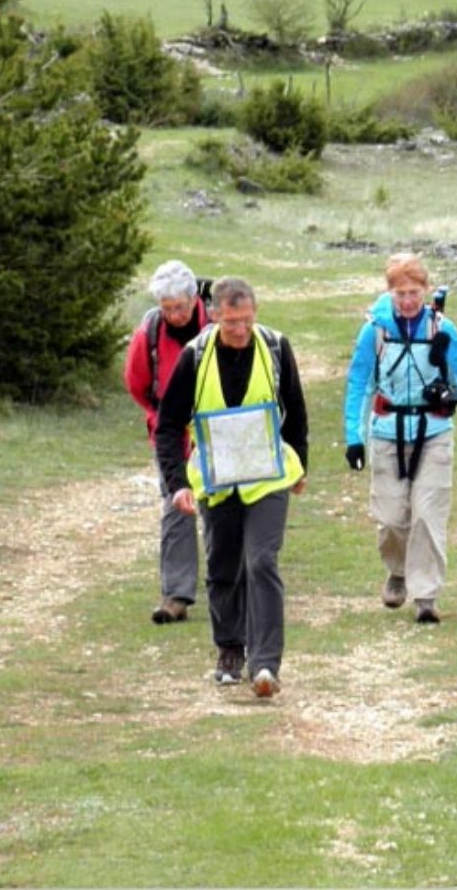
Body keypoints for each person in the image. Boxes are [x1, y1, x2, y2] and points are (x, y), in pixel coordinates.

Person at [153, 277, 308, 698]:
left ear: (255, 313)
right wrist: (177, 484)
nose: (240, 329)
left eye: (246, 320)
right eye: (231, 321)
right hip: (217, 479)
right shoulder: (195, 356)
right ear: (214, 316)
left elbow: (295, 412)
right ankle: (229, 650)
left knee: (261, 561)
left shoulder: (276, 347)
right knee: (223, 566)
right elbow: (168, 425)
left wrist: (300, 466)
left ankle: (265, 664)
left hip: (268, 476)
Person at [341, 253, 457, 624]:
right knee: (391, 519)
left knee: (428, 516)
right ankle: (397, 571)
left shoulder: (443, 330)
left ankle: (426, 596)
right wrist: (354, 436)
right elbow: (359, 383)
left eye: (414, 292)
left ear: (426, 290)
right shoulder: (375, 332)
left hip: (434, 433)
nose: (407, 301)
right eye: (400, 293)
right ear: (390, 292)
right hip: (387, 432)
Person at [123, 261, 211, 626]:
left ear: (194, 299)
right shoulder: (150, 332)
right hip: (171, 434)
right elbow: (136, 383)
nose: (174, 315)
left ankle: (231, 584)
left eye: (180, 307)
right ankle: (176, 595)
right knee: (177, 504)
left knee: (220, 506)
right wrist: (164, 417)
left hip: (216, 430)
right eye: (167, 308)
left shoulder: (217, 323)